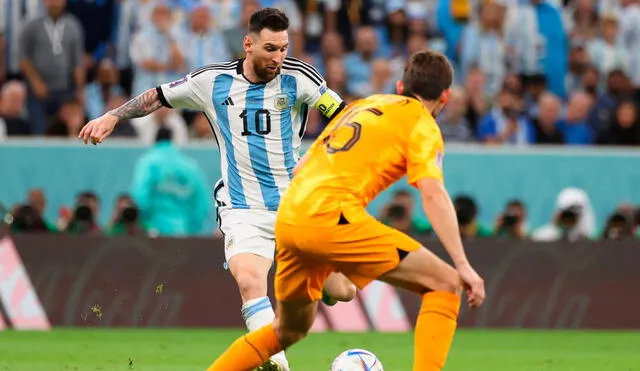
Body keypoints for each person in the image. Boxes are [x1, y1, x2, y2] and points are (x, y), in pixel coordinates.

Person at [78, 8, 356, 371]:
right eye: (270, 48)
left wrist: (320, 153)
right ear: (248, 44)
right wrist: (112, 115)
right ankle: (277, 364)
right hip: (243, 208)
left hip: (296, 205)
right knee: (250, 279)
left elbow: (348, 119)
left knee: (343, 291)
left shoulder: (300, 78)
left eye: (284, 48)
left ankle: (319, 290)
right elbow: (157, 96)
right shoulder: (211, 82)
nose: (278, 58)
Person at [206, 50, 486, 371]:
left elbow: (302, 168)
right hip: (331, 214)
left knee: (288, 330)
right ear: (446, 96)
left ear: (399, 86)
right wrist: (463, 264)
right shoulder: (421, 124)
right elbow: (433, 193)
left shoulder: (361, 106)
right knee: (445, 284)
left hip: (290, 215)